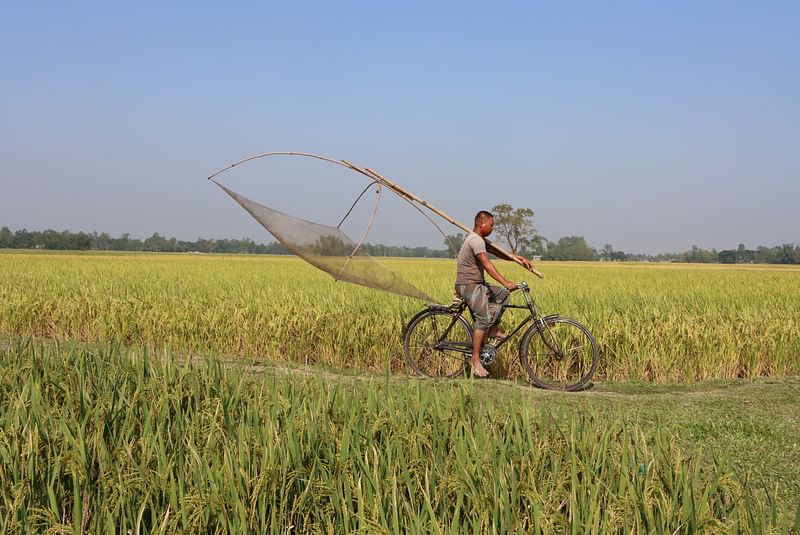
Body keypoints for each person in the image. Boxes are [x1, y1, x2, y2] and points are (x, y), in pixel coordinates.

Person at [455, 210, 534, 377]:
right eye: (491, 225)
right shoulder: (475, 241)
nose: (492, 228)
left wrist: (519, 258)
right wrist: (505, 281)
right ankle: (475, 361)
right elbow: (487, 263)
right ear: (481, 224)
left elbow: (500, 253)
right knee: (483, 318)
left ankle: (491, 329)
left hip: (478, 284)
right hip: (468, 285)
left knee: (502, 294)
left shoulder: (480, 240)